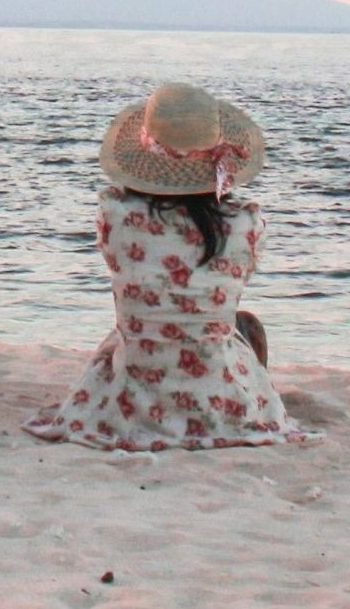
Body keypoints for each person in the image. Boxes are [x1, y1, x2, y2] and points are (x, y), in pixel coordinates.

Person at [24, 81, 314, 451]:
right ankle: (233, 403)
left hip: (134, 396)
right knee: (245, 324)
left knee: (128, 333)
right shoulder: (244, 226)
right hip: (218, 398)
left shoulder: (115, 217)